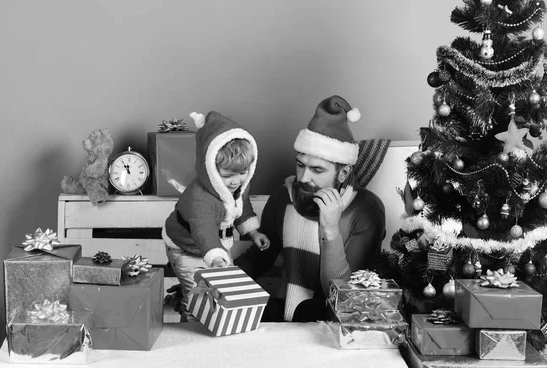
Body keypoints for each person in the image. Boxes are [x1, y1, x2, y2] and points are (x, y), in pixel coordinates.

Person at [234, 95, 386, 322]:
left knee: (313, 310)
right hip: (285, 313)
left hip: (333, 323)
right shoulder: (282, 199)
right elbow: (258, 260)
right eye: (300, 165)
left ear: (343, 173)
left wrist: (331, 231)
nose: (304, 178)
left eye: (317, 170)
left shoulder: (366, 209)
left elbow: (343, 296)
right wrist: (210, 285)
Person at [162, 111, 270, 316]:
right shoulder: (199, 199)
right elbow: (204, 231)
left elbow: (242, 207)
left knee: (221, 291)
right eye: (228, 175)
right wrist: (216, 259)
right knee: (198, 296)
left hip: (218, 246)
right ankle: (190, 319)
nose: (236, 181)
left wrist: (253, 232)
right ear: (209, 168)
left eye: (243, 172)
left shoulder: (237, 185)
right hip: (185, 247)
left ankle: (181, 298)